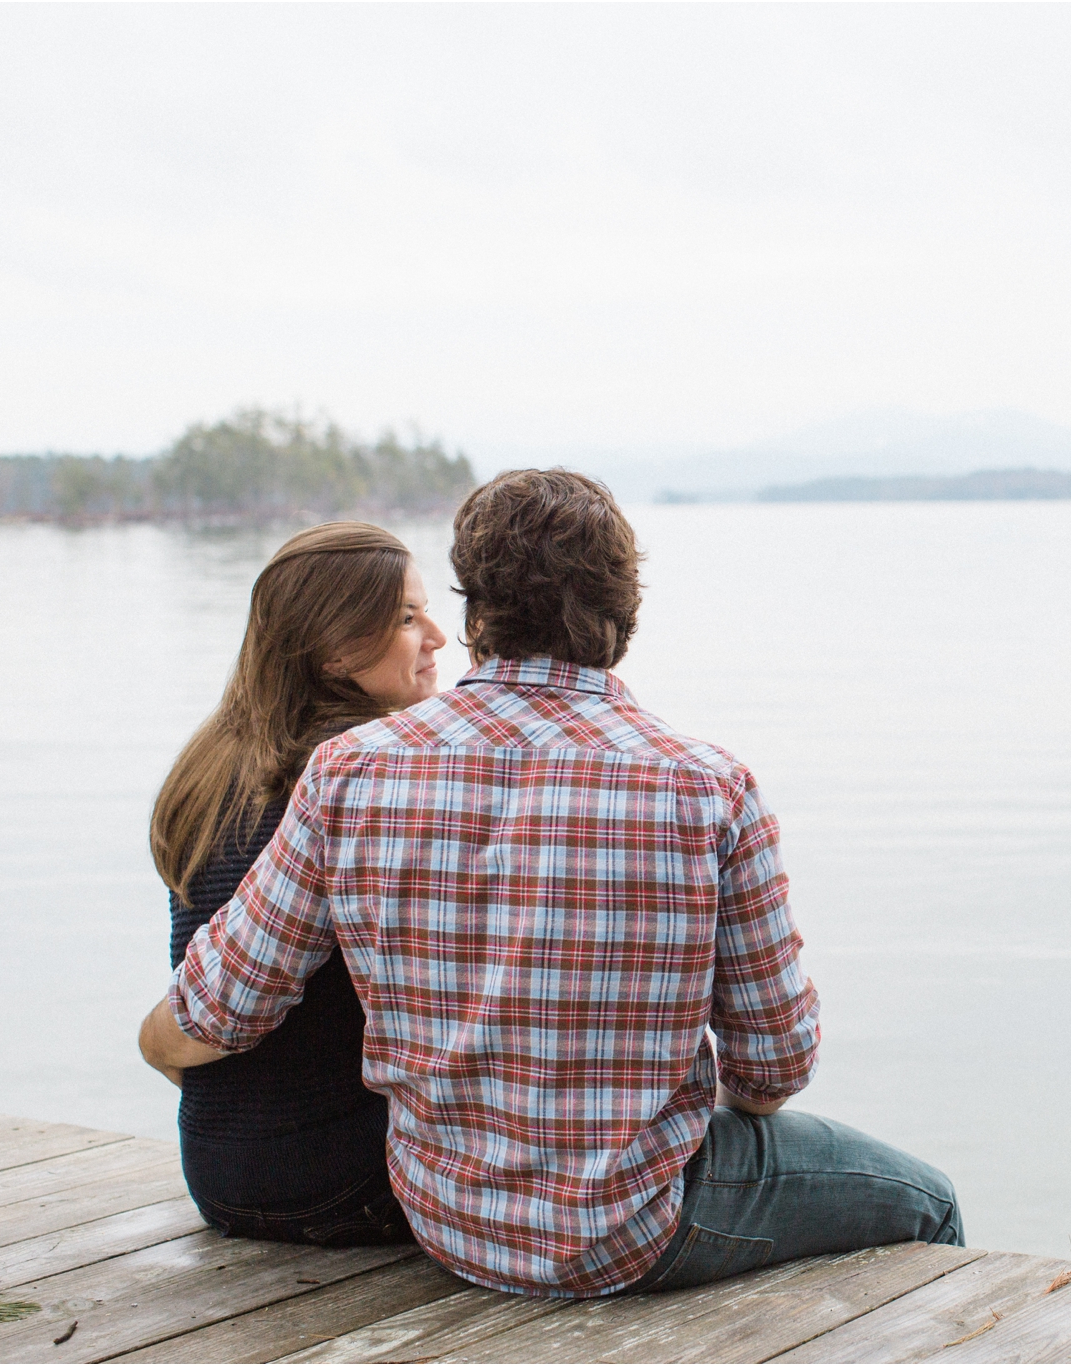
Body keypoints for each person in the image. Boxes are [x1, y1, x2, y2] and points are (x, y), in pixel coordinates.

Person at [138, 468, 962, 1298]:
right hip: (635, 1229)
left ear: (475, 614)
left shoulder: (348, 771)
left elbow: (221, 1004)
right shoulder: (706, 787)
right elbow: (773, 1069)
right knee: (931, 1204)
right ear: (625, 610)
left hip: (444, 1222)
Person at [146, 520, 447, 1245]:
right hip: (345, 1179)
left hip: (221, 1174)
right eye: (407, 618)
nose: (437, 635)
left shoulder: (213, 763)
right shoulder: (354, 776)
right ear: (338, 647)